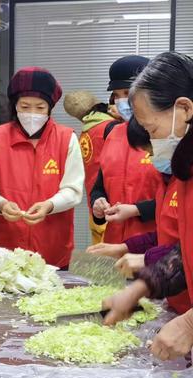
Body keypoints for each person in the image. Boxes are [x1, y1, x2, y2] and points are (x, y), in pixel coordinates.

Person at [101, 52, 193, 361]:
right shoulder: (185, 171)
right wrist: (138, 290)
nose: (153, 145)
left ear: (184, 109)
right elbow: (185, 252)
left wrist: (190, 323)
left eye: (152, 130)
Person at [0, 67, 84, 268]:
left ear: (50, 108)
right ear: (15, 106)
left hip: (51, 248)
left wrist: (49, 205)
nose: (32, 113)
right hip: (4, 249)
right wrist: (1, 204)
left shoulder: (67, 139)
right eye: (25, 106)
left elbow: (73, 189)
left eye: (40, 108)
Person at [88, 116, 189, 314]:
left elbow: (186, 251)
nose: (151, 158)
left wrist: (146, 258)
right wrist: (124, 247)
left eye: (151, 149)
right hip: (174, 296)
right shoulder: (166, 182)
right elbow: (164, 234)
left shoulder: (184, 182)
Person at [90, 55, 162, 244]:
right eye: (116, 94)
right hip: (114, 244)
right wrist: (97, 204)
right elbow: (100, 186)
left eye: (127, 92)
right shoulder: (113, 133)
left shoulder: (164, 136)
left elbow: (177, 199)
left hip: (155, 245)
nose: (122, 101)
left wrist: (137, 210)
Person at [64, 90, 119, 244]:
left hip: (95, 202)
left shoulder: (85, 132)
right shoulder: (112, 127)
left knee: (99, 257)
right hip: (112, 204)